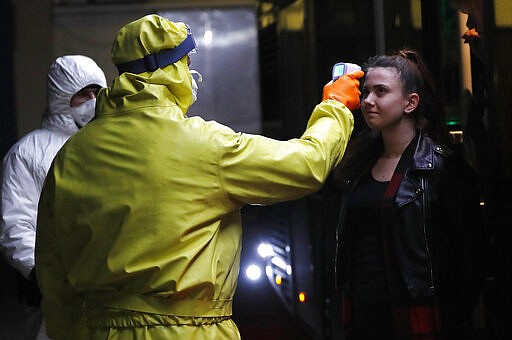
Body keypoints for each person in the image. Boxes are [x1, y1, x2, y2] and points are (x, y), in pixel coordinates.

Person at [34, 14, 364, 340]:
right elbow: (307, 164)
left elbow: (51, 271)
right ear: (171, 70)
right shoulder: (203, 146)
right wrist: (335, 106)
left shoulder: (71, 155)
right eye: (186, 62)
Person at [331, 49, 486, 339]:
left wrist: (451, 318)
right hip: (363, 315)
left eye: (381, 91)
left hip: (418, 316)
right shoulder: (359, 165)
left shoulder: (442, 167)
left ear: (410, 103)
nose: (367, 101)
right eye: (365, 92)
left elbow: (471, 259)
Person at [0, 55, 107, 339]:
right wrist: (44, 279)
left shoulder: (108, 147)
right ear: (61, 97)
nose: (92, 100)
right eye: (83, 93)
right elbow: (16, 225)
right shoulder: (29, 152)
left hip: (107, 293)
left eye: (97, 92)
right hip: (52, 298)